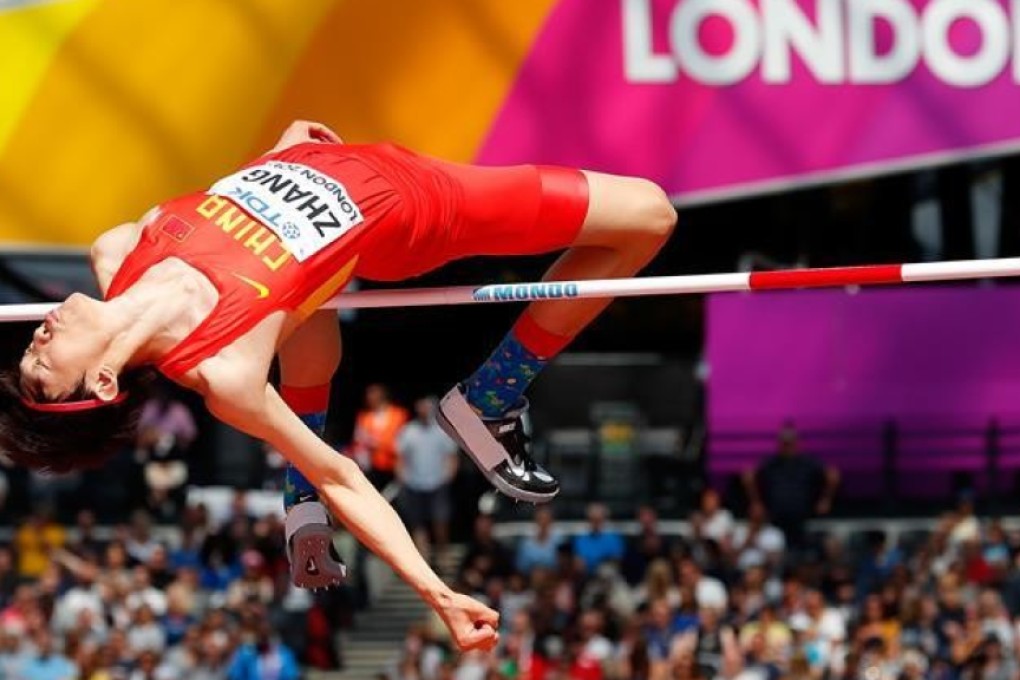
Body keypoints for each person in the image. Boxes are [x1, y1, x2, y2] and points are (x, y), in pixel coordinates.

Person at [0, 120, 674, 649]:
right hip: (418, 203)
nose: (37, 340)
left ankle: (308, 509)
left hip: (333, 161)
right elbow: (344, 477)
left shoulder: (118, 249)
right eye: (42, 369)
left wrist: (273, 161)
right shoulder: (224, 368)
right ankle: (490, 395)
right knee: (650, 215)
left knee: (310, 327)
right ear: (104, 381)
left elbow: (240, 227)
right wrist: (440, 595)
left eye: (30, 355)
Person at [741, 423, 839, 549]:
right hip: (775, 518)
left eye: (790, 443)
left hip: (803, 517)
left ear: (796, 443)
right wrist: (756, 502)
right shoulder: (771, 463)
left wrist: (825, 499)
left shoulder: (807, 463)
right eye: (784, 443)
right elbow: (748, 476)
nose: (787, 447)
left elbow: (833, 475)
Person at [395, 396, 458, 561]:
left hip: (438, 483)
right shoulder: (408, 431)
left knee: (440, 521)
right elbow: (400, 458)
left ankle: (443, 555)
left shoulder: (443, 430)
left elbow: (451, 456)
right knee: (417, 523)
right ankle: (423, 560)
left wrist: (448, 477)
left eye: (426, 406)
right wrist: (402, 478)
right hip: (414, 484)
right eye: (421, 406)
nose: (424, 409)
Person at [354, 384, 410, 489]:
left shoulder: (399, 415)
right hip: (371, 467)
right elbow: (359, 441)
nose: (369, 397)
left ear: (382, 395)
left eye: (373, 394)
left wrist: (378, 444)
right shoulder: (364, 416)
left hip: (394, 466)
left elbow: (404, 443)